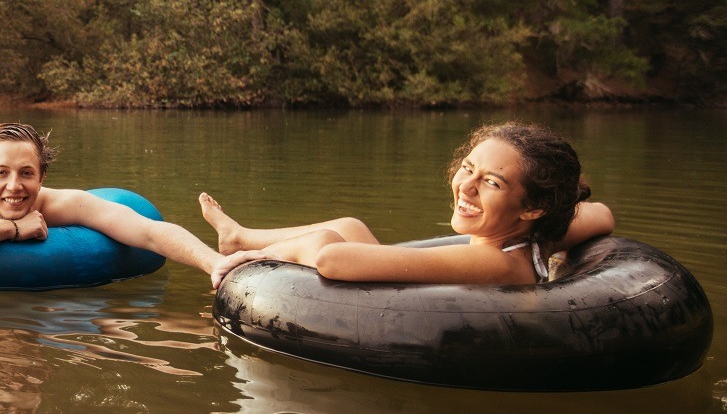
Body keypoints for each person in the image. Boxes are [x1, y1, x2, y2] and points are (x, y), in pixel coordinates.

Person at [203, 121, 615, 289]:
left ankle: (250, 247)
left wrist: (269, 256)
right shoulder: (537, 235)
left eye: (490, 182)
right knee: (351, 223)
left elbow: (330, 261)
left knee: (329, 239)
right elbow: (602, 215)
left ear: (533, 207)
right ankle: (238, 235)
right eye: (468, 169)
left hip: (396, 316)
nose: (466, 187)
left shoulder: (496, 263)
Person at [0, 122, 227, 277]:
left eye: (27, 173)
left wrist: (213, 262)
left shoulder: (59, 204)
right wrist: (9, 229)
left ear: (42, 179)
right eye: (1, 173)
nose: (15, 186)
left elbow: (147, 230)